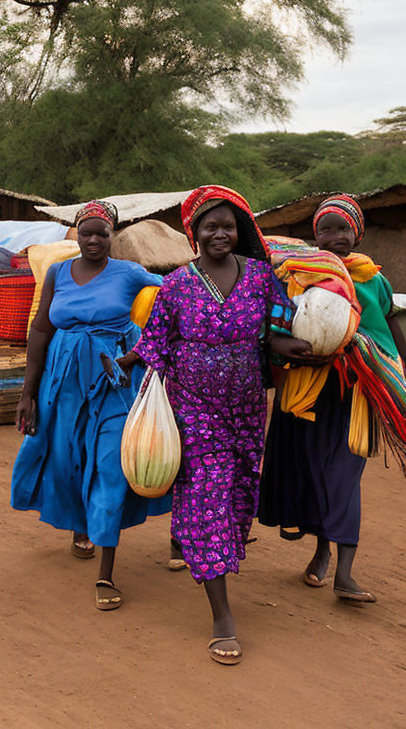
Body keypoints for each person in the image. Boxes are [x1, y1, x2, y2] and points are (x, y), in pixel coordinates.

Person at [125, 185, 311, 665]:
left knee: (237, 495)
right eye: (211, 226)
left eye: (228, 226)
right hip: (193, 409)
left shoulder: (260, 278)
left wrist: (283, 346)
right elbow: (156, 343)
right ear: (194, 233)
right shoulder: (176, 287)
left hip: (247, 410)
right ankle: (221, 614)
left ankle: (206, 551)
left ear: (240, 230)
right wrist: (126, 361)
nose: (220, 234)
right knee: (207, 496)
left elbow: (278, 329)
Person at [10, 200, 169, 611]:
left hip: (113, 379)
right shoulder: (58, 272)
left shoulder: (130, 273)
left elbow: (173, 299)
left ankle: (106, 569)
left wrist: (141, 350)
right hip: (62, 381)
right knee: (67, 457)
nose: (94, 240)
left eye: (102, 233)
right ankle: (80, 525)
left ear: (112, 235)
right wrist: (27, 393)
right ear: (76, 235)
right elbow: (42, 329)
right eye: (87, 233)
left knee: (111, 465)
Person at [259, 195, 406, 605]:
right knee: (309, 473)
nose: (335, 238)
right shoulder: (298, 275)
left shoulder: (373, 280)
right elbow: (275, 324)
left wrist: (395, 374)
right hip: (305, 391)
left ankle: (344, 573)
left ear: (357, 233)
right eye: (326, 229)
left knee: (342, 477)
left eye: (343, 229)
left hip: (353, 394)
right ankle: (321, 551)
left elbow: (390, 334)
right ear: (314, 235)